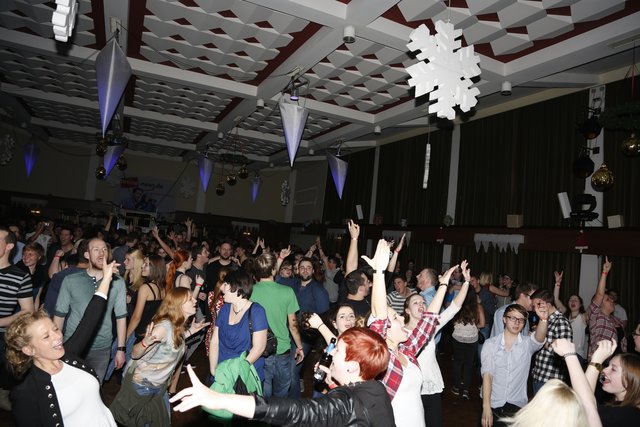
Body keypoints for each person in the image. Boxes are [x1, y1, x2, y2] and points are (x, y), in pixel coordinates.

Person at [171, 327, 395, 427]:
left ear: (353, 367)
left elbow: (296, 412)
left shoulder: (347, 404)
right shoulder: (377, 389)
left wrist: (219, 399)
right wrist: (334, 382)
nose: (331, 352)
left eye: (338, 351)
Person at [6, 260, 119, 426]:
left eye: (55, 329)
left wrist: (107, 278)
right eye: (46, 336)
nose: (57, 336)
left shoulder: (69, 356)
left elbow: (90, 319)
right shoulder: (26, 392)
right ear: (29, 350)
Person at [364, 239, 445, 427]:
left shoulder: (407, 351)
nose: (402, 318)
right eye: (395, 318)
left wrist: (443, 285)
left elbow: (428, 321)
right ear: (384, 329)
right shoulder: (383, 359)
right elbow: (378, 318)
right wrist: (378, 273)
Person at [109, 287, 208, 426]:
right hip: (142, 386)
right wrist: (145, 342)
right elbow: (134, 354)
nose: (195, 301)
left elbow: (171, 343)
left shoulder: (176, 326)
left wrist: (191, 331)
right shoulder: (164, 327)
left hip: (158, 386)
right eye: (190, 299)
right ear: (178, 305)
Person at [405, 260, 471, 427]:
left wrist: (466, 282)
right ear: (407, 311)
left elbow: (455, 307)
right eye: (416, 303)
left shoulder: (430, 328)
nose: (421, 304)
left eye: (423, 302)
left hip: (430, 387)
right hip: (409, 389)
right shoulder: (400, 332)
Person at [53, 238, 127, 384]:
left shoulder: (118, 282)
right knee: (67, 387)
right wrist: (55, 344)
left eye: (104, 249)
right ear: (87, 255)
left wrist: (121, 349)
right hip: (73, 344)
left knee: (94, 388)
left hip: (101, 348)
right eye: (96, 250)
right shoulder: (71, 280)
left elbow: (121, 317)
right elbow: (59, 315)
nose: (101, 253)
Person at [481, 302, 549, 427]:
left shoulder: (527, 344)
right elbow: (487, 375)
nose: (517, 323)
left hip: (516, 406)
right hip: (493, 403)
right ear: (504, 319)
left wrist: (543, 319)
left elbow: (539, 338)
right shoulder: (490, 344)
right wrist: (486, 407)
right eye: (513, 318)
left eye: (521, 320)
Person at [250, 251, 304, 398]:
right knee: (282, 386)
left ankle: (265, 409)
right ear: (274, 270)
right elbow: (293, 325)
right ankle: (278, 410)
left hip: (259, 347)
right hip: (282, 347)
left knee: (264, 385)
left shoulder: (250, 291)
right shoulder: (287, 291)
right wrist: (299, 347)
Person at [209, 269, 268, 382]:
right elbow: (215, 342)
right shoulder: (225, 309)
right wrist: (213, 370)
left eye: (225, 284)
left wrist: (236, 372)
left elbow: (259, 348)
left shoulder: (257, 311)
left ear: (235, 287)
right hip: (222, 372)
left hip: (245, 376)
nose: (221, 288)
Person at [584, 339, 640, 426]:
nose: (604, 370)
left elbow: (584, 404)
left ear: (630, 380)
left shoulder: (627, 415)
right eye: (608, 366)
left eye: (613, 369)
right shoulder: (618, 407)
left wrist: (595, 362)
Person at [530, 286, 573, 394]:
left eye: (536, 306)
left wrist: (542, 342)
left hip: (551, 380)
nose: (534, 309)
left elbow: (565, 353)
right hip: (539, 376)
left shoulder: (561, 322)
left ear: (548, 305)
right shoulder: (545, 320)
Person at [451, 283, 485, 399]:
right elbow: (482, 324)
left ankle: (456, 388)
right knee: (468, 364)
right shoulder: (478, 307)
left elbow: (453, 321)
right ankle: (466, 390)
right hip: (471, 339)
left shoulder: (458, 305)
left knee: (457, 363)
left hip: (458, 338)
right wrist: (473, 327)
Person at [588, 257, 623, 360]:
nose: (612, 301)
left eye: (612, 299)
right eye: (608, 299)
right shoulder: (596, 316)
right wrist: (605, 272)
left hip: (617, 362)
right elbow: (599, 295)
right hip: (600, 361)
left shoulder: (616, 320)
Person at [554, 271, 589, 361]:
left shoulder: (583, 316)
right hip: (564, 354)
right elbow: (556, 299)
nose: (572, 301)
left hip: (577, 355)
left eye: (575, 300)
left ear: (580, 304)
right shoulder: (566, 315)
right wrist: (557, 283)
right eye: (570, 300)